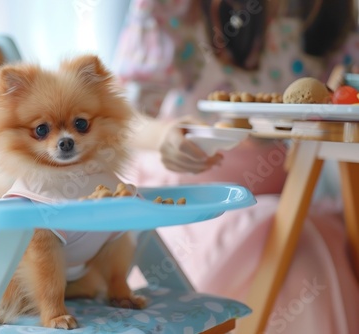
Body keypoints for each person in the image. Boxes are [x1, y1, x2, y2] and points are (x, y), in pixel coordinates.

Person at [114, 0, 359, 333]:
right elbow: (120, 119)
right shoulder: (171, 7)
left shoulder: (324, 11)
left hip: (286, 188)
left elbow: (344, 93)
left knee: (322, 237)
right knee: (304, 250)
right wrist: (164, 136)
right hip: (187, 194)